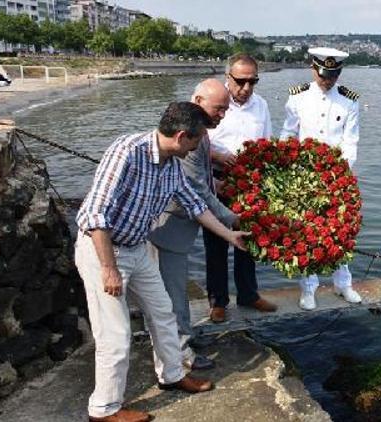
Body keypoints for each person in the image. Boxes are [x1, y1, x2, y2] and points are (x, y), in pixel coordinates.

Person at [75, 101, 249, 422]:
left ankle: (171, 375)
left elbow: (196, 205)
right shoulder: (127, 151)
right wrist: (109, 267)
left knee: (164, 312)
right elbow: (94, 214)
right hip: (103, 249)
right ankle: (104, 409)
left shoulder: (172, 165)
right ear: (182, 136)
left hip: (137, 247)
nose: (197, 148)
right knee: (114, 334)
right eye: (196, 142)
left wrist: (229, 235)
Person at [148, 79, 235, 372]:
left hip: (182, 224)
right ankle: (181, 352)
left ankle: (185, 334)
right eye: (219, 108)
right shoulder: (188, 134)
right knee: (170, 292)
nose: (223, 114)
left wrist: (217, 181)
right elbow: (195, 188)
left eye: (226, 109)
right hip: (168, 224)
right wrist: (232, 219)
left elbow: (202, 177)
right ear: (198, 100)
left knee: (178, 286)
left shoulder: (201, 132)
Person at [280, 47, 362, 310]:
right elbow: (288, 135)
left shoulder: (349, 101)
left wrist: (340, 173)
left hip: (337, 177)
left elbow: (350, 141)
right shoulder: (298, 98)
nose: (328, 80)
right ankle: (308, 289)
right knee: (305, 233)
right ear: (313, 69)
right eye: (324, 74)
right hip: (304, 176)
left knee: (340, 231)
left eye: (334, 75)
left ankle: (343, 284)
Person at [205, 53, 277, 322]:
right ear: (228, 77)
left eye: (252, 81)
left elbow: (267, 143)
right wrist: (217, 156)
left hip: (250, 182)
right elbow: (194, 142)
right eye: (240, 81)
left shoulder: (261, 106)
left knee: (248, 240)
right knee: (216, 242)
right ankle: (218, 301)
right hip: (217, 179)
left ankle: (248, 294)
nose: (246, 88)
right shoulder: (211, 100)